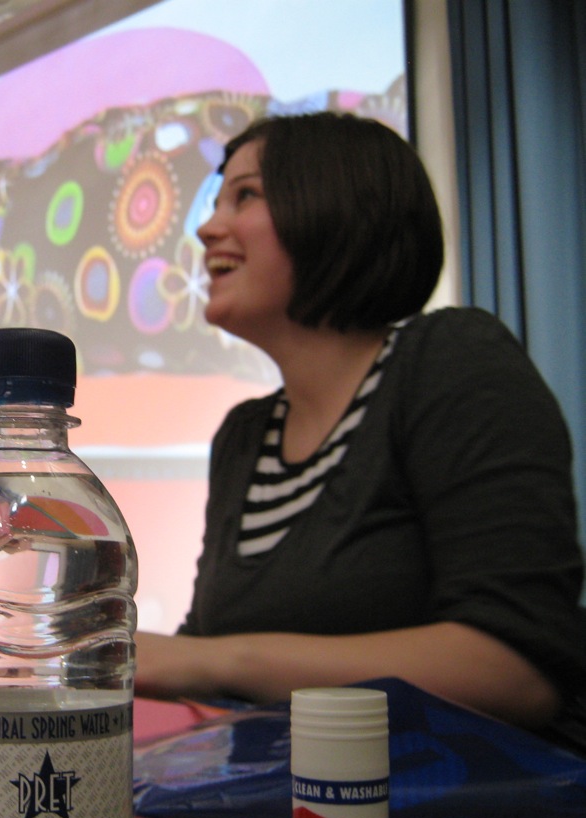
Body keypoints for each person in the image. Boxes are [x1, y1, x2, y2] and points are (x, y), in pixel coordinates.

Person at [133, 111, 586, 751]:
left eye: (245, 195)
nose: (208, 228)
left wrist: (221, 660)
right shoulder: (245, 436)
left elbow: (517, 669)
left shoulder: (449, 360)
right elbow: (201, 667)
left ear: (336, 208)